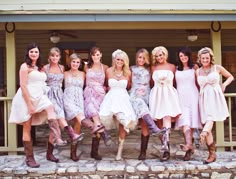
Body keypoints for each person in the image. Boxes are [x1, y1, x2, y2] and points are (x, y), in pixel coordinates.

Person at [9, 43, 65, 168]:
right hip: (26, 98)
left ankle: (56, 137)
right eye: (32, 51)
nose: (34, 54)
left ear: (39, 54)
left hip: (40, 96)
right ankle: (30, 158)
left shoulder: (40, 67)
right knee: (27, 127)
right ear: (28, 53)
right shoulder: (24, 66)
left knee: (51, 108)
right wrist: (29, 105)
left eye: (36, 52)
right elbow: (23, 86)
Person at [43, 47, 84, 162]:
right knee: (58, 116)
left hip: (60, 95)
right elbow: (40, 81)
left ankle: (49, 153)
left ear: (60, 57)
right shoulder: (45, 68)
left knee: (55, 125)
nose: (55, 58)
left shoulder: (61, 68)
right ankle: (70, 133)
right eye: (52, 56)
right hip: (50, 95)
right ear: (49, 57)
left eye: (57, 56)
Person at [196, 47, 234, 164]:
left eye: (207, 58)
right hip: (204, 98)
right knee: (208, 121)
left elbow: (230, 77)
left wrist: (224, 85)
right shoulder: (198, 71)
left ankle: (203, 133)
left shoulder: (217, 68)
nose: (205, 60)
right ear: (200, 59)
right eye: (203, 58)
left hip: (215, 96)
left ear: (210, 58)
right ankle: (212, 154)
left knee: (210, 118)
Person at [99, 49, 137, 160]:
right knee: (114, 111)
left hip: (123, 97)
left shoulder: (128, 73)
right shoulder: (109, 71)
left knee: (121, 127)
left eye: (122, 60)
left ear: (125, 61)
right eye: (118, 59)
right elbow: (106, 84)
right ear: (114, 60)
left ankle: (119, 152)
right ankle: (125, 122)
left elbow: (129, 86)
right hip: (111, 96)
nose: (119, 61)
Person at [63, 53, 102, 161]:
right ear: (70, 62)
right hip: (68, 99)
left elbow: (89, 86)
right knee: (78, 117)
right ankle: (93, 127)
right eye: (73, 62)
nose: (75, 64)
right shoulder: (64, 73)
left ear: (80, 64)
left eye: (77, 62)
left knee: (78, 125)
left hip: (79, 99)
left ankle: (73, 152)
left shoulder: (83, 74)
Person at [129, 48, 165, 160]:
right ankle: (153, 129)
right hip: (135, 95)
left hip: (147, 96)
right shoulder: (131, 69)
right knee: (140, 104)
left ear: (147, 59)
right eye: (139, 57)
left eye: (143, 57)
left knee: (145, 123)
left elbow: (152, 83)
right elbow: (129, 83)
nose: (141, 59)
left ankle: (157, 150)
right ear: (136, 58)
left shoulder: (150, 69)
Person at [149, 46, 182, 162]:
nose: (159, 57)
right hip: (157, 94)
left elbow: (178, 81)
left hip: (169, 94)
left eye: (161, 55)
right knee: (158, 122)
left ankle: (166, 147)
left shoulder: (172, 67)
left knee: (167, 118)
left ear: (165, 54)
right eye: (157, 56)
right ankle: (163, 144)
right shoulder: (153, 68)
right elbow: (151, 83)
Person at [175, 47, 202, 161]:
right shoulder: (176, 68)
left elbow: (199, 82)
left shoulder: (194, 67)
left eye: (185, 55)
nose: (183, 58)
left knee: (190, 123)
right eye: (181, 56)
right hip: (180, 97)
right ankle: (189, 146)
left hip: (192, 96)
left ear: (189, 56)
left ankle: (188, 150)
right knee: (184, 121)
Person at [84, 47, 112, 146]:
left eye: (97, 54)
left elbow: (107, 82)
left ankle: (94, 150)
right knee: (93, 112)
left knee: (98, 119)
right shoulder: (87, 67)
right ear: (91, 56)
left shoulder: (105, 67)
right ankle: (104, 133)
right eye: (93, 54)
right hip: (90, 92)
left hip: (100, 94)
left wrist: (106, 88)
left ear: (101, 55)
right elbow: (84, 81)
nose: (95, 56)